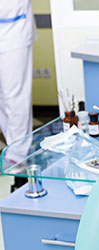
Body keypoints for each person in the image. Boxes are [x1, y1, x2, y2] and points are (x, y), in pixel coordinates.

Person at [0, 0, 36, 190]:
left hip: (14, 30)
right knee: (3, 99)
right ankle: (11, 150)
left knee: (15, 96)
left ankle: (18, 156)